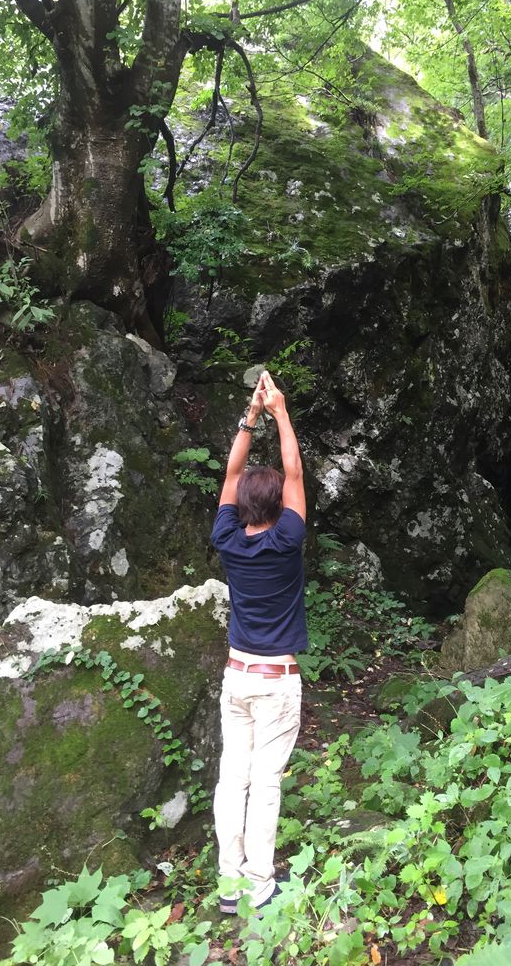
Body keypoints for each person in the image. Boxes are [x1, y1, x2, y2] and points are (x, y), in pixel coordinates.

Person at [210, 369, 307, 916]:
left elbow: (231, 472)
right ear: (278, 506)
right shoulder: (288, 539)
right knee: (264, 784)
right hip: (276, 681)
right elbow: (294, 471)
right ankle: (258, 882)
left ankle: (229, 884)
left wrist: (251, 417)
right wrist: (280, 412)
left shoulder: (227, 539)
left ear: (243, 504)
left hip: (237, 676)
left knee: (233, 779)